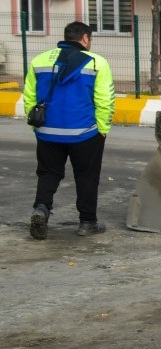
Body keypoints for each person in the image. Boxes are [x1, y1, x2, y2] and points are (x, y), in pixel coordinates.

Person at [24, 21, 115, 239]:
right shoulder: (96, 63)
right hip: (84, 133)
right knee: (86, 176)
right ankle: (87, 223)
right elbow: (105, 101)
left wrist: (37, 128)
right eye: (90, 39)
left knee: (48, 174)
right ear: (85, 38)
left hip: (47, 132)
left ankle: (41, 209)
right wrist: (102, 129)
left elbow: (29, 97)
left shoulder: (39, 60)